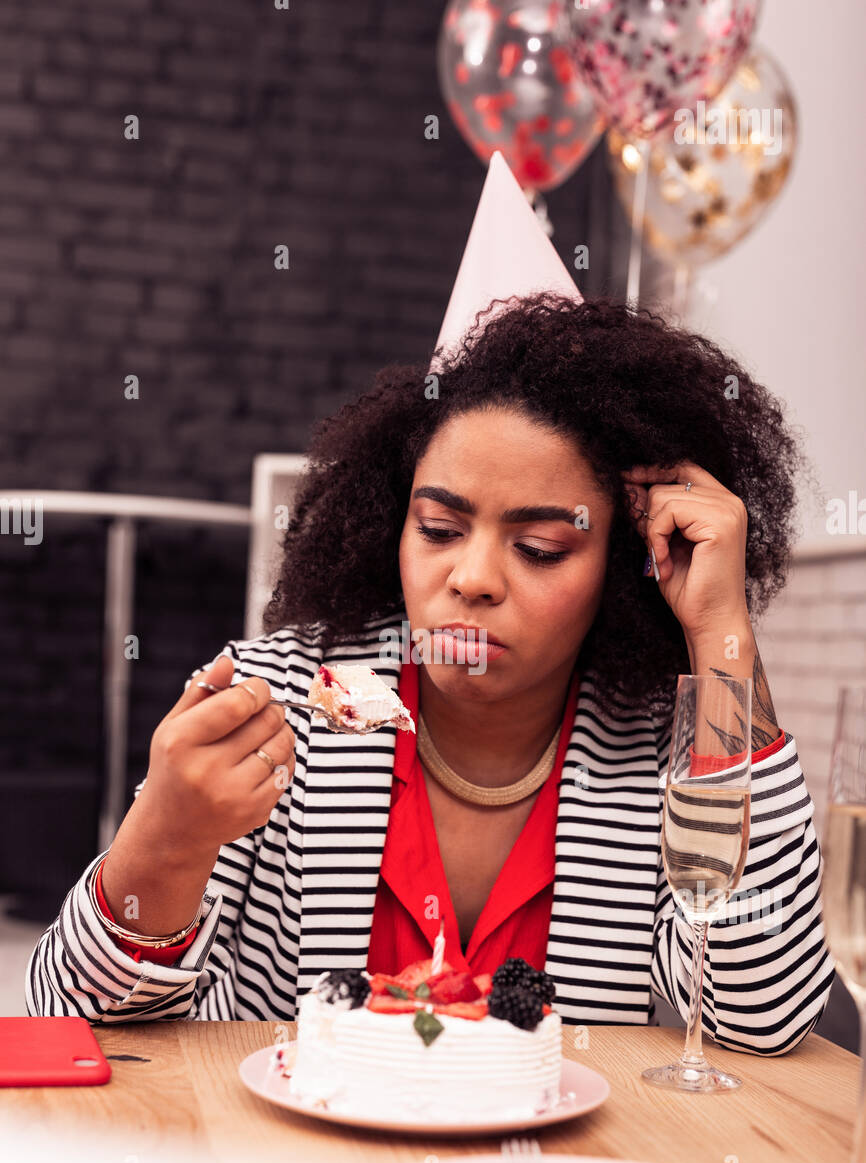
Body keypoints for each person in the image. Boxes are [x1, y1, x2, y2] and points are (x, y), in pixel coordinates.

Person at [26, 288, 833, 1051]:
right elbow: (73, 1018)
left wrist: (723, 633)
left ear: (624, 564)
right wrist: (166, 840)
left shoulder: (675, 742)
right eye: (441, 529)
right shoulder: (279, 701)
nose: (474, 577)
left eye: (541, 548)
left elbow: (758, 1016)